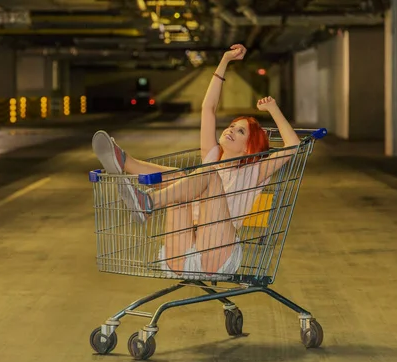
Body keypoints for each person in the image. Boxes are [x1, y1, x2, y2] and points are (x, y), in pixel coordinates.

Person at [92, 43, 300, 278]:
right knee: (181, 178)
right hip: (181, 252)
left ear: (248, 148)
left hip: (218, 254)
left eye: (240, 132)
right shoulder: (212, 154)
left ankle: (148, 202)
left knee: (207, 174)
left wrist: (272, 109)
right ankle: (125, 163)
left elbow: (293, 146)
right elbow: (208, 108)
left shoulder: (255, 170)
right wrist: (224, 61)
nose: (230, 130)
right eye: (231, 126)